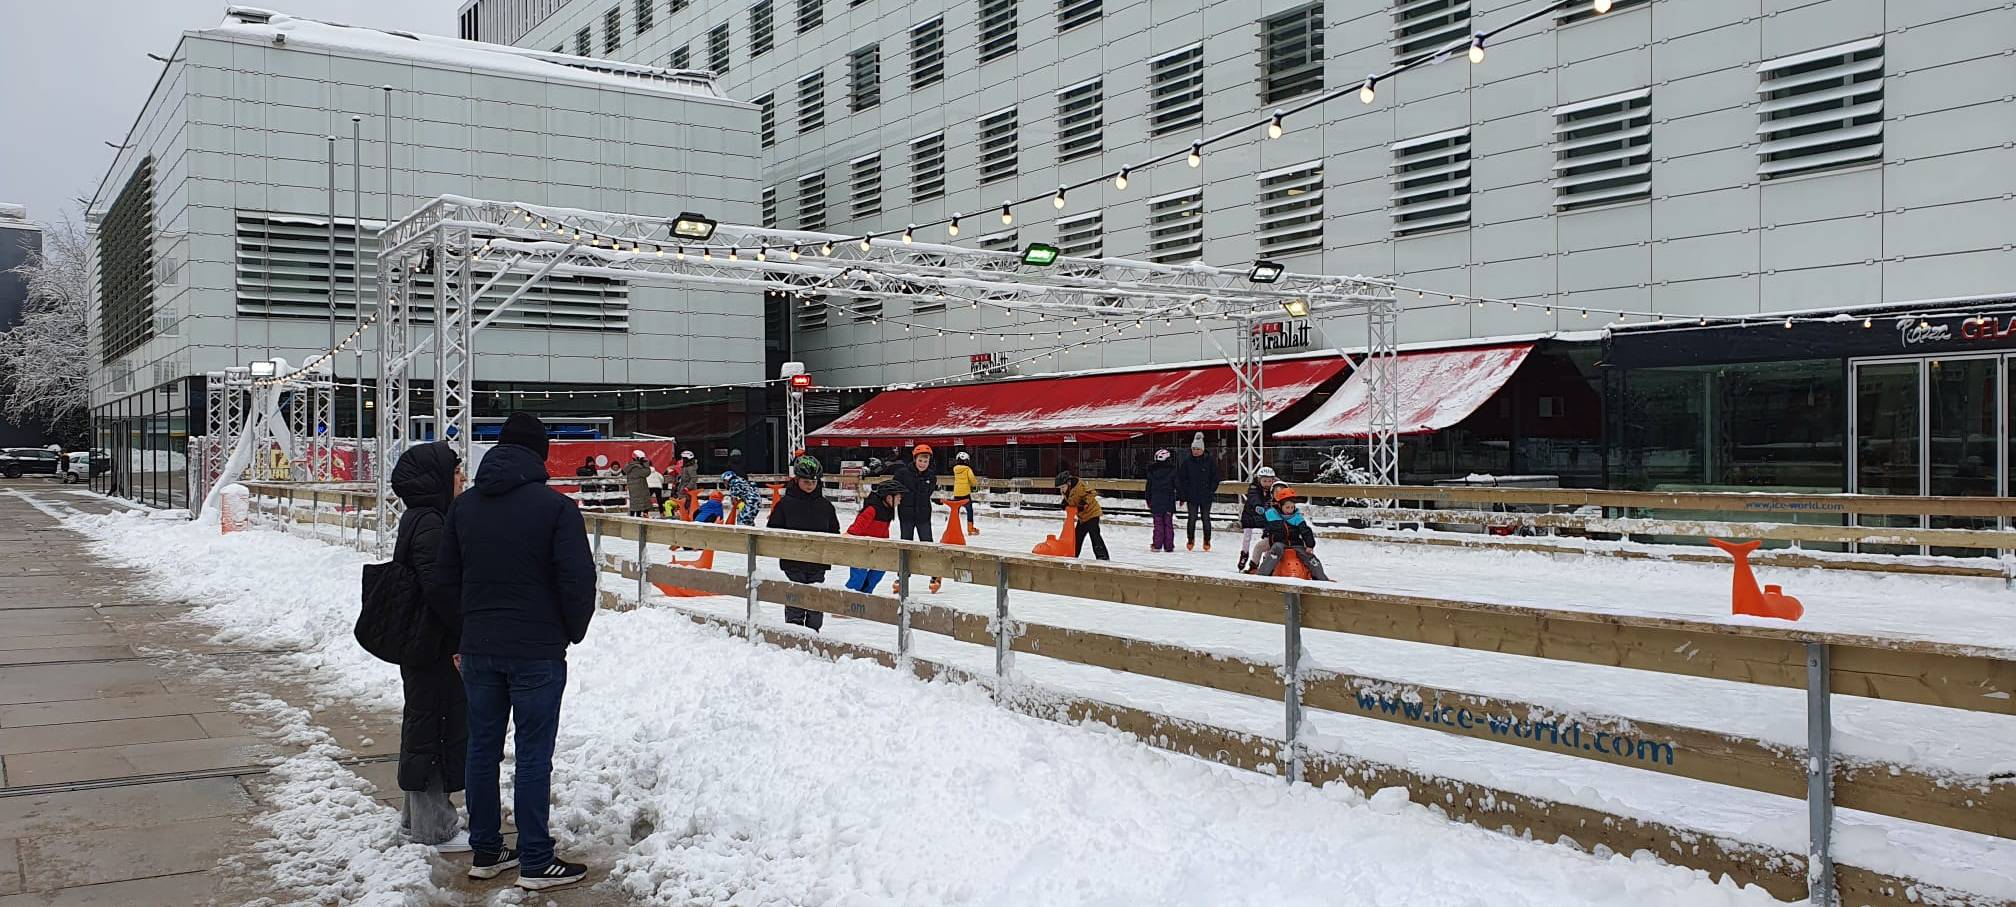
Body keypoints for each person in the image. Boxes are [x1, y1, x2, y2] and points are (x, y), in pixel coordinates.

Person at [435, 412, 595, 891]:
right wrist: (570, 631)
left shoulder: (463, 508)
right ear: (540, 455)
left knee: (481, 749)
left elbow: (445, 582)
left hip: (479, 648)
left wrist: (465, 633)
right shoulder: (556, 509)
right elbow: (577, 580)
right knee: (532, 755)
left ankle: (486, 850)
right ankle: (536, 859)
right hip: (536, 650)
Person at [388, 441, 470, 854]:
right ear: (437, 479)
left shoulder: (420, 518)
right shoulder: (433, 524)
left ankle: (417, 817)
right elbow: (441, 587)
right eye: (457, 473)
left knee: (425, 725)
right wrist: (464, 629)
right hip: (432, 644)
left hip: (423, 642)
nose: (462, 479)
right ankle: (434, 825)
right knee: (435, 727)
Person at [767, 456, 841, 630]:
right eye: (806, 481)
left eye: (813, 482)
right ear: (797, 480)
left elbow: (834, 531)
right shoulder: (785, 504)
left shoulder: (825, 506)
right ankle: (795, 635)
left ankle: (814, 634)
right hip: (793, 562)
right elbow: (773, 530)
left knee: (816, 602)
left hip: (818, 562)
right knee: (795, 601)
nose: (810, 485)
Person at [1250, 487, 1331, 581]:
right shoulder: (1271, 514)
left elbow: (1305, 530)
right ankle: (1262, 575)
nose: (1290, 510)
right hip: (1279, 542)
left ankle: (1321, 579)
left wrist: (1310, 545)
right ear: (1280, 506)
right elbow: (1262, 522)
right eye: (1287, 507)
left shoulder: (1297, 517)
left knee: (1309, 557)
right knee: (1275, 551)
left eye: (1292, 507)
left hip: (1295, 543)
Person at [844, 480, 903, 594]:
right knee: (858, 580)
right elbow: (857, 527)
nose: (900, 501)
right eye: (899, 497)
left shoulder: (887, 511)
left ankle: (865, 599)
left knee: (878, 572)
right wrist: (849, 537)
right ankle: (845, 603)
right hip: (860, 549)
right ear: (889, 497)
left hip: (875, 549)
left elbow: (883, 532)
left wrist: (885, 546)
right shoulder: (872, 509)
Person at [1174, 433, 1221, 552]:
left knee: (1206, 518)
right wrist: (1184, 493)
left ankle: (1207, 540)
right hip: (1192, 496)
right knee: (1192, 518)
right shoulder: (1187, 462)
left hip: (1206, 495)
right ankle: (1190, 539)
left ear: (1202, 449)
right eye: (1193, 449)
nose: (1195, 451)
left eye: (1197, 449)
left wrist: (1211, 490)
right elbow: (1181, 478)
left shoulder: (1210, 461)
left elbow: (1215, 477)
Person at [1056, 470, 1109, 560]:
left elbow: (1092, 493)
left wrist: (1084, 503)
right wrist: (1065, 503)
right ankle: (1073, 556)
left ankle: (1103, 558)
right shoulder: (1067, 490)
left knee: (1094, 535)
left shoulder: (1080, 486)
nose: (1061, 490)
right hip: (1083, 518)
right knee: (1077, 537)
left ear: (1068, 483)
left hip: (1092, 514)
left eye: (1062, 487)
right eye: (1060, 488)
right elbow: (1072, 500)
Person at [890, 444, 938, 543]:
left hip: (924, 516)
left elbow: (929, 492)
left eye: (925, 461)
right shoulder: (902, 473)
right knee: (906, 544)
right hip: (906, 515)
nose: (922, 464)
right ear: (915, 459)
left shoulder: (931, 476)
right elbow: (893, 489)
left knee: (927, 544)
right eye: (920, 460)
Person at [1238, 466, 1282, 572]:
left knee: (1268, 535)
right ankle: (1244, 554)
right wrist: (1258, 505)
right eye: (1264, 481)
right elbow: (1253, 497)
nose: (1267, 483)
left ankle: (1266, 558)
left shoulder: (1274, 489)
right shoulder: (1254, 487)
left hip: (1265, 516)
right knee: (1247, 536)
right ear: (1259, 480)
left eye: (1269, 481)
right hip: (1251, 514)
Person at [1145, 449, 1178, 553]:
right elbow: (1178, 484)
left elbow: (1148, 487)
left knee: (1158, 524)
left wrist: (1148, 499)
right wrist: (1182, 496)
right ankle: (1169, 546)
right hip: (1168, 500)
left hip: (1156, 500)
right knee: (1168, 523)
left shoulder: (1152, 471)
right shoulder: (1173, 470)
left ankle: (1157, 545)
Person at [950, 451, 980, 535]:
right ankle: (970, 529)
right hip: (965, 493)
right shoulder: (967, 469)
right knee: (969, 510)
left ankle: (953, 528)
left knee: (955, 512)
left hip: (957, 493)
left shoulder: (955, 469)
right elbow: (972, 479)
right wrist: (974, 485)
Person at [620, 450, 654, 518]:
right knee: (639, 502)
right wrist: (646, 465)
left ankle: (633, 516)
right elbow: (646, 473)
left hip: (633, 487)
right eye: (642, 458)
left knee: (635, 502)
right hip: (639, 487)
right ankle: (635, 517)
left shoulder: (630, 465)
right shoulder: (636, 467)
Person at [670, 450, 698, 518]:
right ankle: (683, 516)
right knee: (683, 505)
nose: (682, 460)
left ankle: (687, 517)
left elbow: (694, 478)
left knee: (686, 504)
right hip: (683, 490)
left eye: (683, 458)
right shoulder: (685, 467)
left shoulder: (690, 468)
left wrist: (687, 487)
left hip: (688, 491)